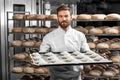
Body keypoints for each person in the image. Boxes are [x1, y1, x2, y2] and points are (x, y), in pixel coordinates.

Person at [39, 4, 92, 80]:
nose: (63, 19)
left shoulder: (80, 36)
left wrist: (100, 57)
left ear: (71, 17)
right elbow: (42, 55)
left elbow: (87, 53)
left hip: (76, 77)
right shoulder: (48, 37)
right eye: (60, 16)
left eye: (66, 16)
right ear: (57, 18)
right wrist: (37, 61)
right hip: (56, 77)